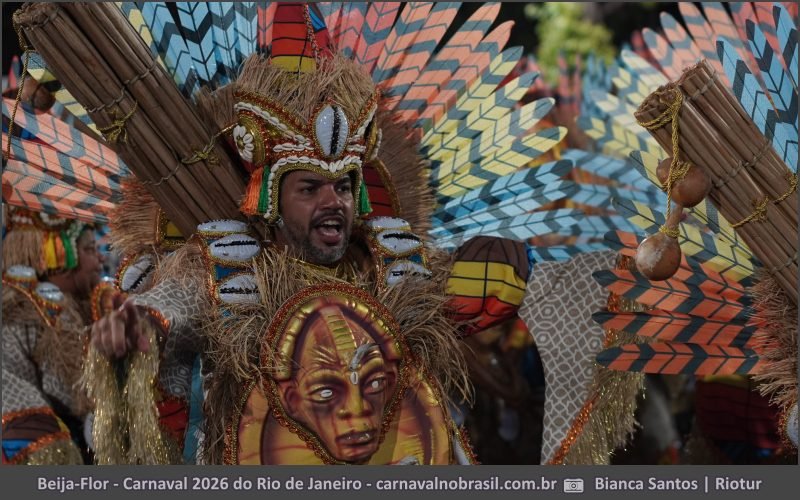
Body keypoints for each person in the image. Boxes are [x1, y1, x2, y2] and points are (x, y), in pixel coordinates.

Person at [2, 209, 104, 464]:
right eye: (90, 250)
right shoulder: (50, 312)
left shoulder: (13, 300)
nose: (99, 260)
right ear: (60, 256)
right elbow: (77, 397)